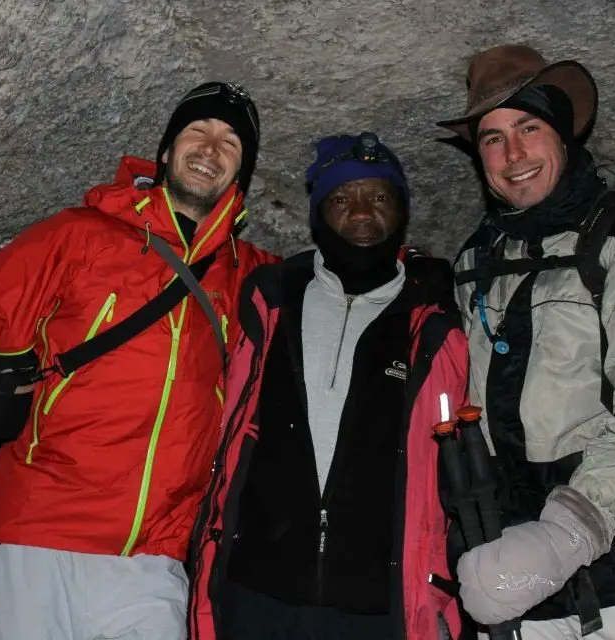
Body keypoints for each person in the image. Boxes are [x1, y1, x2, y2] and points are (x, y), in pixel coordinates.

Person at [0, 81, 278, 640]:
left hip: (154, 559)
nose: (211, 148)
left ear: (242, 173)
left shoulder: (254, 280)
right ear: (165, 151)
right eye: (198, 131)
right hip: (34, 535)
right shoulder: (79, 237)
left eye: (232, 143)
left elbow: (339, 292)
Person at [434, 44, 615, 639]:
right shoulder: (475, 262)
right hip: (528, 592)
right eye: (492, 138)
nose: (512, 154)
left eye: (528, 126)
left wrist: (568, 532)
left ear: (564, 134)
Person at [187, 132, 470, 640]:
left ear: (402, 210)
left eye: (379, 197)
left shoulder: (433, 319)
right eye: (341, 199)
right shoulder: (271, 300)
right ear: (318, 213)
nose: (362, 212)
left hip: (376, 603)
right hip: (257, 591)